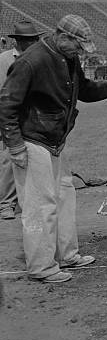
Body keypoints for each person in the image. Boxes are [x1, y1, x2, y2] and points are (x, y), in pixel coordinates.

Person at [0, 15, 107, 283]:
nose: (80, 52)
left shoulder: (67, 57)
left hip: (55, 141)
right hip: (31, 141)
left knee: (64, 197)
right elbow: (6, 106)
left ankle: (66, 254)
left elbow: (83, 89)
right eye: (78, 47)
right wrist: (14, 145)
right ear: (63, 37)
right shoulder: (30, 61)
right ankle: (42, 267)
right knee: (40, 206)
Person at [0, 21, 45, 220]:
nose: (34, 42)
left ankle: (28, 200)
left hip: (33, 116)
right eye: (29, 40)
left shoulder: (39, 58)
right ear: (18, 41)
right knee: (9, 160)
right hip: (11, 115)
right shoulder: (4, 60)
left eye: (36, 39)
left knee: (35, 159)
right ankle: (6, 204)